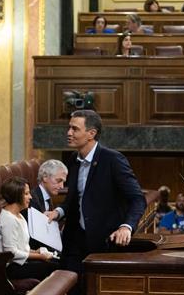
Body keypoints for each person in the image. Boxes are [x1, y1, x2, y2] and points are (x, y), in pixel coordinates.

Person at [46, 109, 146, 294]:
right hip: (75, 242)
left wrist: (126, 227)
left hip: (104, 244)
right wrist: (58, 212)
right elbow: (74, 199)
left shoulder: (113, 160)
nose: (68, 133)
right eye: (69, 128)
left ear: (91, 134)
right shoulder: (72, 160)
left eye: (74, 129)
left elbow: (138, 199)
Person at [0, 177, 59, 281]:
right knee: (53, 267)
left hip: (20, 263)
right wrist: (40, 257)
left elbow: (21, 247)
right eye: (26, 194)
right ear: (17, 196)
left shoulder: (19, 215)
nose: (31, 197)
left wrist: (36, 252)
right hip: (9, 268)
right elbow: (11, 253)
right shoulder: (8, 219)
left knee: (56, 261)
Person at [21, 159, 68, 250]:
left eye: (63, 182)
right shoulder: (32, 200)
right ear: (45, 177)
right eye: (59, 181)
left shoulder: (47, 196)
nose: (62, 186)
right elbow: (34, 239)